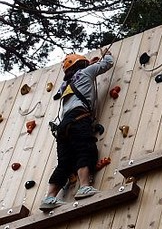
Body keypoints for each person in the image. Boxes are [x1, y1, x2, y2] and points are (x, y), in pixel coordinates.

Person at [40, 49, 114, 211]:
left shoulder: (64, 84)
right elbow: (108, 64)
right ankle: (84, 187)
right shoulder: (86, 72)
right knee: (85, 150)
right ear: (82, 64)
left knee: (64, 162)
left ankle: (49, 198)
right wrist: (107, 54)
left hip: (62, 126)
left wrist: (90, 65)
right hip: (79, 119)